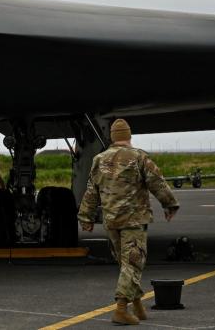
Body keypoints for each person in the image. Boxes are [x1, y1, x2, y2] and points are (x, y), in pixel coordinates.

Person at [77, 119, 180, 326]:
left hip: (111, 221)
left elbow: (91, 190)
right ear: (129, 136)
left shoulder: (99, 159)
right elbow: (157, 182)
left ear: (113, 137)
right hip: (133, 220)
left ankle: (138, 305)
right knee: (133, 263)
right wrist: (169, 204)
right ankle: (121, 309)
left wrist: (86, 217)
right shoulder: (139, 157)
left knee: (126, 264)